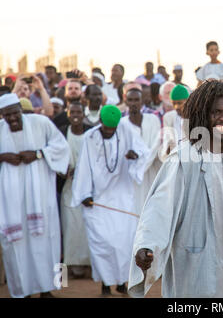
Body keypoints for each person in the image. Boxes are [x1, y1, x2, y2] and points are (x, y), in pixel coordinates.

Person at [128, 80, 223, 298]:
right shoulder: (184, 157)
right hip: (197, 260)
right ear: (201, 114)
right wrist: (146, 244)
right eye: (216, 112)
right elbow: (160, 206)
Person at [71, 105, 150, 296]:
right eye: (106, 128)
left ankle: (122, 283)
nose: (109, 131)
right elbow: (83, 166)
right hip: (97, 199)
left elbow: (144, 151)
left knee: (123, 242)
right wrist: (84, 193)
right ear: (100, 123)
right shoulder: (90, 137)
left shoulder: (126, 129)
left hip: (122, 197)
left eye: (112, 129)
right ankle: (105, 285)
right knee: (101, 243)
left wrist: (135, 156)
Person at [0, 93, 70, 298]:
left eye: (15, 114)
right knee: (15, 244)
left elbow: (61, 147)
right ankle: (22, 291)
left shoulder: (41, 123)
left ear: (21, 110)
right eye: (6, 116)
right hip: (10, 201)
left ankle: (47, 289)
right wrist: (3, 157)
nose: (12, 119)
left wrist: (38, 154)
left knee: (47, 240)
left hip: (41, 196)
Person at [59, 102, 92, 279]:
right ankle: (69, 268)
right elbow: (56, 157)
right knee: (70, 228)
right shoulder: (63, 132)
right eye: (73, 112)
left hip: (88, 191)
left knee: (87, 228)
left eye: (79, 111)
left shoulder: (91, 133)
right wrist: (64, 171)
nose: (76, 115)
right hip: (69, 189)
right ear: (68, 114)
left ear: (84, 113)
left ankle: (88, 266)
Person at [120, 88, 162, 213]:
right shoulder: (122, 124)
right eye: (130, 100)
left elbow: (156, 146)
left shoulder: (153, 120)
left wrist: (142, 160)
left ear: (142, 101)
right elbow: (121, 151)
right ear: (126, 102)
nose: (133, 103)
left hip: (151, 174)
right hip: (131, 178)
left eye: (136, 100)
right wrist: (128, 156)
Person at [159, 84, 190, 161]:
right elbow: (167, 143)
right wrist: (167, 150)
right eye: (174, 103)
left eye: (179, 103)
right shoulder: (168, 117)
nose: (176, 107)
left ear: (187, 101)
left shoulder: (196, 117)